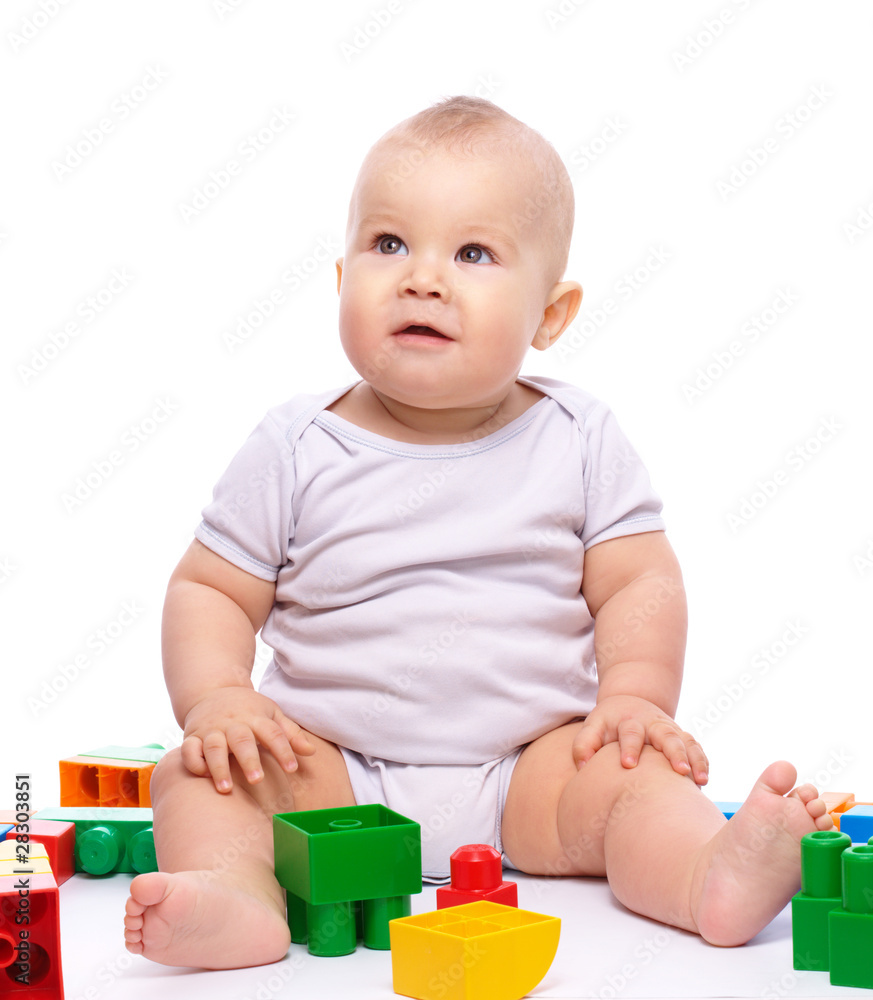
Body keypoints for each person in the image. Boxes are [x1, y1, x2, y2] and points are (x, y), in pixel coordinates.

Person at [123, 96, 832, 970]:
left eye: (473, 253)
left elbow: (638, 581)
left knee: (634, 779)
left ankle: (701, 878)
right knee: (196, 777)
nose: (422, 278)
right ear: (340, 281)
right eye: (388, 245)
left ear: (550, 314)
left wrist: (634, 700)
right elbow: (210, 589)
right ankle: (238, 893)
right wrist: (217, 700)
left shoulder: (578, 438)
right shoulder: (295, 446)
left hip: (532, 767)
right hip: (329, 769)